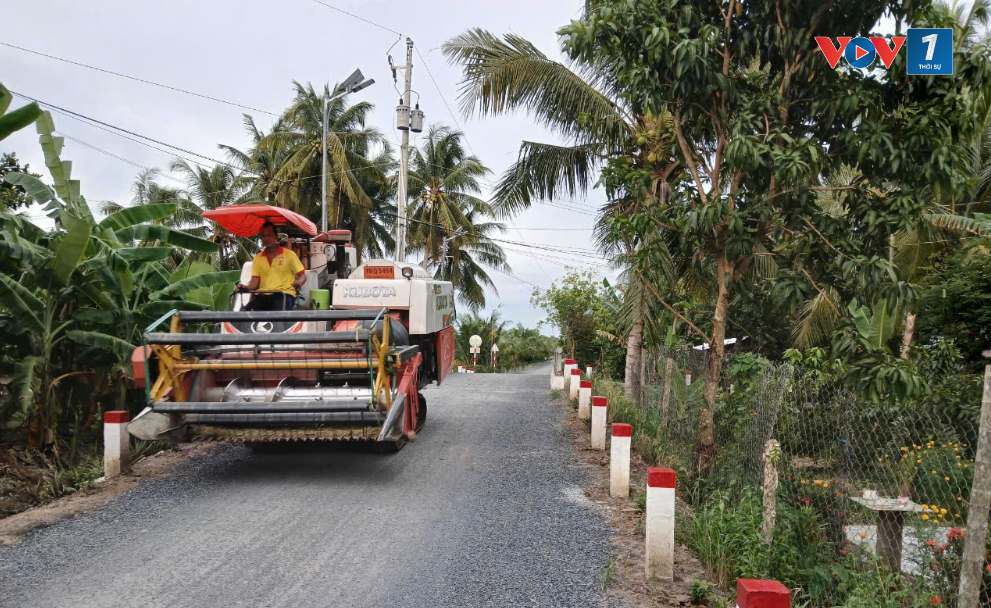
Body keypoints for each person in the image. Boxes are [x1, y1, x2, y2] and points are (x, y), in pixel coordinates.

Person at [235, 222, 307, 311]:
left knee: (277, 315)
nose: (266, 238)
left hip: (284, 294)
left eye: (269, 235)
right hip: (263, 295)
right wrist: (245, 287)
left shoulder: (289, 254)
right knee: (244, 313)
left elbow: (303, 276)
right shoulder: (258, 258)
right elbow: (254, 282)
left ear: (276, 237)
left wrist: (299, 282)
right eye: (263, 235)